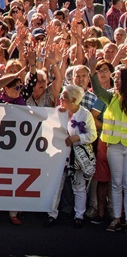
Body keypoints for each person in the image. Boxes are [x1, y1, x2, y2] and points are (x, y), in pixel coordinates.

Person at [46, 84, 98, 227]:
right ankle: (52, 214)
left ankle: (79, 215)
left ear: (73, 100)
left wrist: (77, 138)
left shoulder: (85, 114)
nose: (61, 99)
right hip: (59, 154)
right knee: (57, 184)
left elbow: (92, 134)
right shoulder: (58, 112)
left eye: (64, 97)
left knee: (79, 186)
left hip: (77, 156)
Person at [90, 59, 127, 231]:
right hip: (114, 146)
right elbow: (97, 90)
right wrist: (92, 71)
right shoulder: (110, 96)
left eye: (118, 77)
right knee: (116, 183)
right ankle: (117, 218)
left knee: (126, 184)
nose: (115, 80)